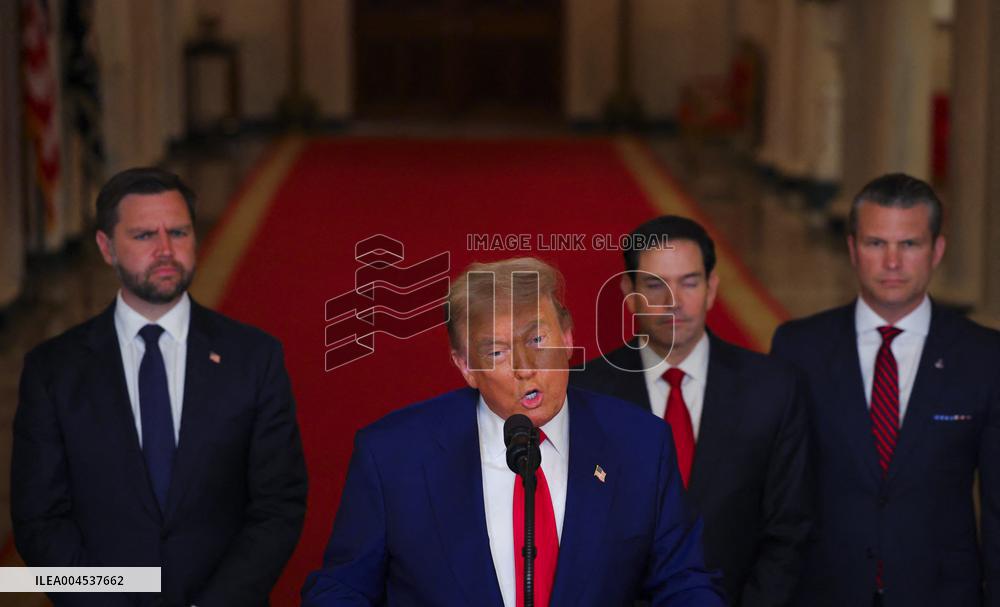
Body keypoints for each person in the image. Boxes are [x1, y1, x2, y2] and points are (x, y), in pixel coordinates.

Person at [301, 257, 724, 606]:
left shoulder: (640, 444)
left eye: (538, 338)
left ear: (569, 336)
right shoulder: (393, 456)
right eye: (497, 351)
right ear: (466, 367)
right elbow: (343, 588)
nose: (525, 366)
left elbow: (683, 582)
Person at [12, 167, 308, 606]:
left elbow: (277, 506)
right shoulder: (53, 370)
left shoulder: (254, 358)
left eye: (179, 232)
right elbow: (39, 521)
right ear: (106, 248)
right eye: (145, 236)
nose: (166, 250)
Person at [770, 173, 1000, 607]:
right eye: (877, 244)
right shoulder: (798, 347)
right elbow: (778, 493)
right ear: (853, 249)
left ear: (937, 250)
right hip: (824, 592)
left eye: (909, 245)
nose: (892, 263)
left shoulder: (984, 357)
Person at [572, 215, 812, 606]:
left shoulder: (774, 388)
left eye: (690, 282)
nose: (675, 302)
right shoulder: (585, 392)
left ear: (712, 288)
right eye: (655, 285)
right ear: (629, 293)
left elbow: (790, 528)